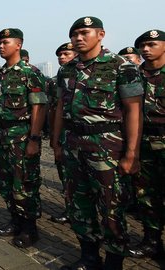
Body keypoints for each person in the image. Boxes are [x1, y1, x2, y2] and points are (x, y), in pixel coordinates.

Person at [53, 17, 143, 270]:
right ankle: (89, 257)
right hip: (74, 144)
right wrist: (57, 143)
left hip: (107, 146)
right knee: (78, 204)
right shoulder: (67, 70)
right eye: (74, 35)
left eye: (84, 33)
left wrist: (132, 154)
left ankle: (114, 262)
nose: (78, 38)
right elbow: (60, 107)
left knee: (111, 207)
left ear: (101, 34)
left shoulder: (121, 66)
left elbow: (133, 110)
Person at [0, 29, 47, 248]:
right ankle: (15, 220)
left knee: (24, 182)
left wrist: (34, 138)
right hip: (2, 135)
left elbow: (39, 107)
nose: (1, 46)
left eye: (5, 42)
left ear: (18, 45)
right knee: (5, 182)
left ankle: (29, 228)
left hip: (22, 135)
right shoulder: (2, 73)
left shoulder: (30, 72)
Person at [127, 29, 165, 259]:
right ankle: (151, 240)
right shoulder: (133, 76)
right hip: (143, 142)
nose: (146, 49)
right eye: (143, 46)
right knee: (145, 194)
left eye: (152, 44)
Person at [49, 42, 78, 225]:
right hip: (65, 131)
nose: (62, 57)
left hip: (93, 134)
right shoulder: (59, 77)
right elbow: (54, 107)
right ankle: (71, 209)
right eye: (59, 55)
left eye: (66, 53)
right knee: (66, 175)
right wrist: (54, 135)